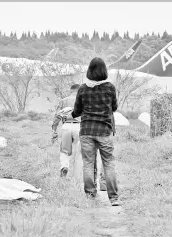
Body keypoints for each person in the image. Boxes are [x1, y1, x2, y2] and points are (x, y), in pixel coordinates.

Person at [68, 57, 121, 206]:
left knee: (88, 164)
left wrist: (71, 114)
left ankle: (90, 195)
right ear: (104, 71)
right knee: (108, 163)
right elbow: (114, 107)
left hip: (86, 131)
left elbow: (77, 110)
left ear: (89, 71)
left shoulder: (83, 89)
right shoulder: (110, 87)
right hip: (104, 131)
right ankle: (114, 198)